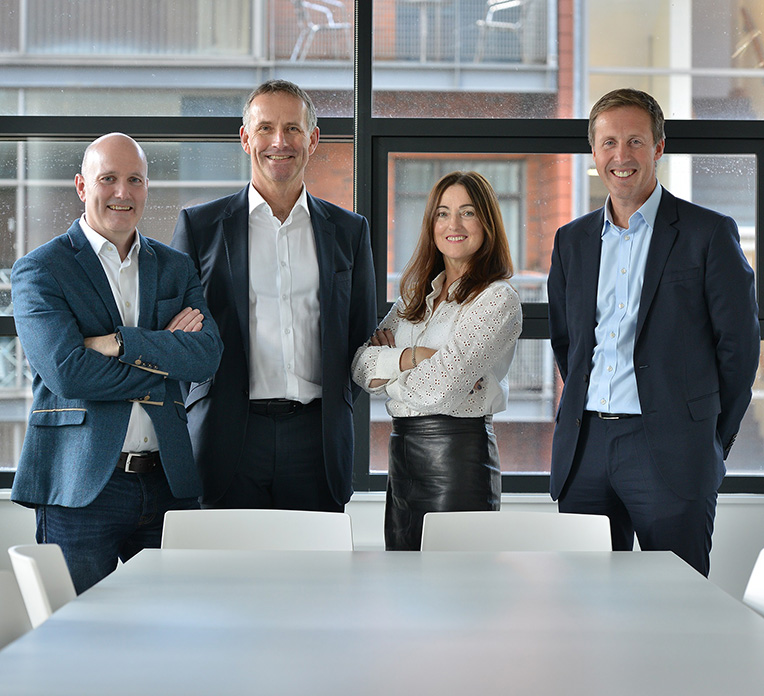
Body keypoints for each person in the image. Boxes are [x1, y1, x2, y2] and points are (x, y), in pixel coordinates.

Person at [548, 88, 760, 576]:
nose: (621, 156)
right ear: (594, 152)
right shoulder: (571, 241)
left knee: (678, 600)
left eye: (635, 142)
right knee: (584, 604)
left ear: (659, 147)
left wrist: (706, 437)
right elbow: (569, 342)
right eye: (608, 143)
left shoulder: (709, 233)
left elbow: (739, 351)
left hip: (670, 449)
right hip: (586, 449)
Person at [11, 133, 223, 593]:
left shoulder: (175, 267)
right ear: (82, 186)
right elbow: (68, 372)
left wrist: (117, 343)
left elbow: (206, 357)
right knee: (79, 636)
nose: (122, 192)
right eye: (108, 179)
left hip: (168, 480)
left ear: (147, 187)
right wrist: (165, 352)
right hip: (81, 485)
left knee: (180, 630)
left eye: (135, 180)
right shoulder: (41, 269)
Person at [171, 80, 376, 512]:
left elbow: (359, 335)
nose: (279, 142)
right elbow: (179, 337)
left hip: (316, 441)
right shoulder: (200, 227)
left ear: (313, 139)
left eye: (293, 129)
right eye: (265, 128)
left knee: (315, 577)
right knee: (229, 577)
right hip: (228, 437)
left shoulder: (349, 232)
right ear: (245, 139)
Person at [352, 171, 522, 550]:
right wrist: (416, 357)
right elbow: (361, 367)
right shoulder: (416, 297)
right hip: (403, 459)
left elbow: (440, 391)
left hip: (458, 460)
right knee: (403, 588)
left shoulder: (497, 299)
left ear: (487, 223)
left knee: (455, 591)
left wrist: (391, 364)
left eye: (467, 212)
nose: (453, 225)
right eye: (443, 214)